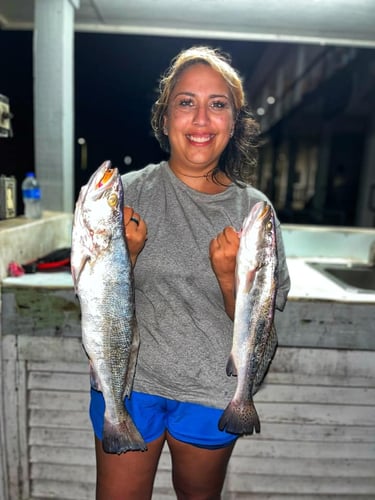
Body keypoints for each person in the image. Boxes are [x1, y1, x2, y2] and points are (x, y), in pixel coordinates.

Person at [90, 45, 290, 499]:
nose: (201, 120)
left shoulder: (254, 211)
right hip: (129, 384)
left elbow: (263, 331)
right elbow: (93, 302)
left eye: (217, 105)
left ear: (233, 122)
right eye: (186, 103)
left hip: (211, 393)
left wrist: (228, 278)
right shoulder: (123, 195)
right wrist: (126, 255)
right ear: (165, 119)